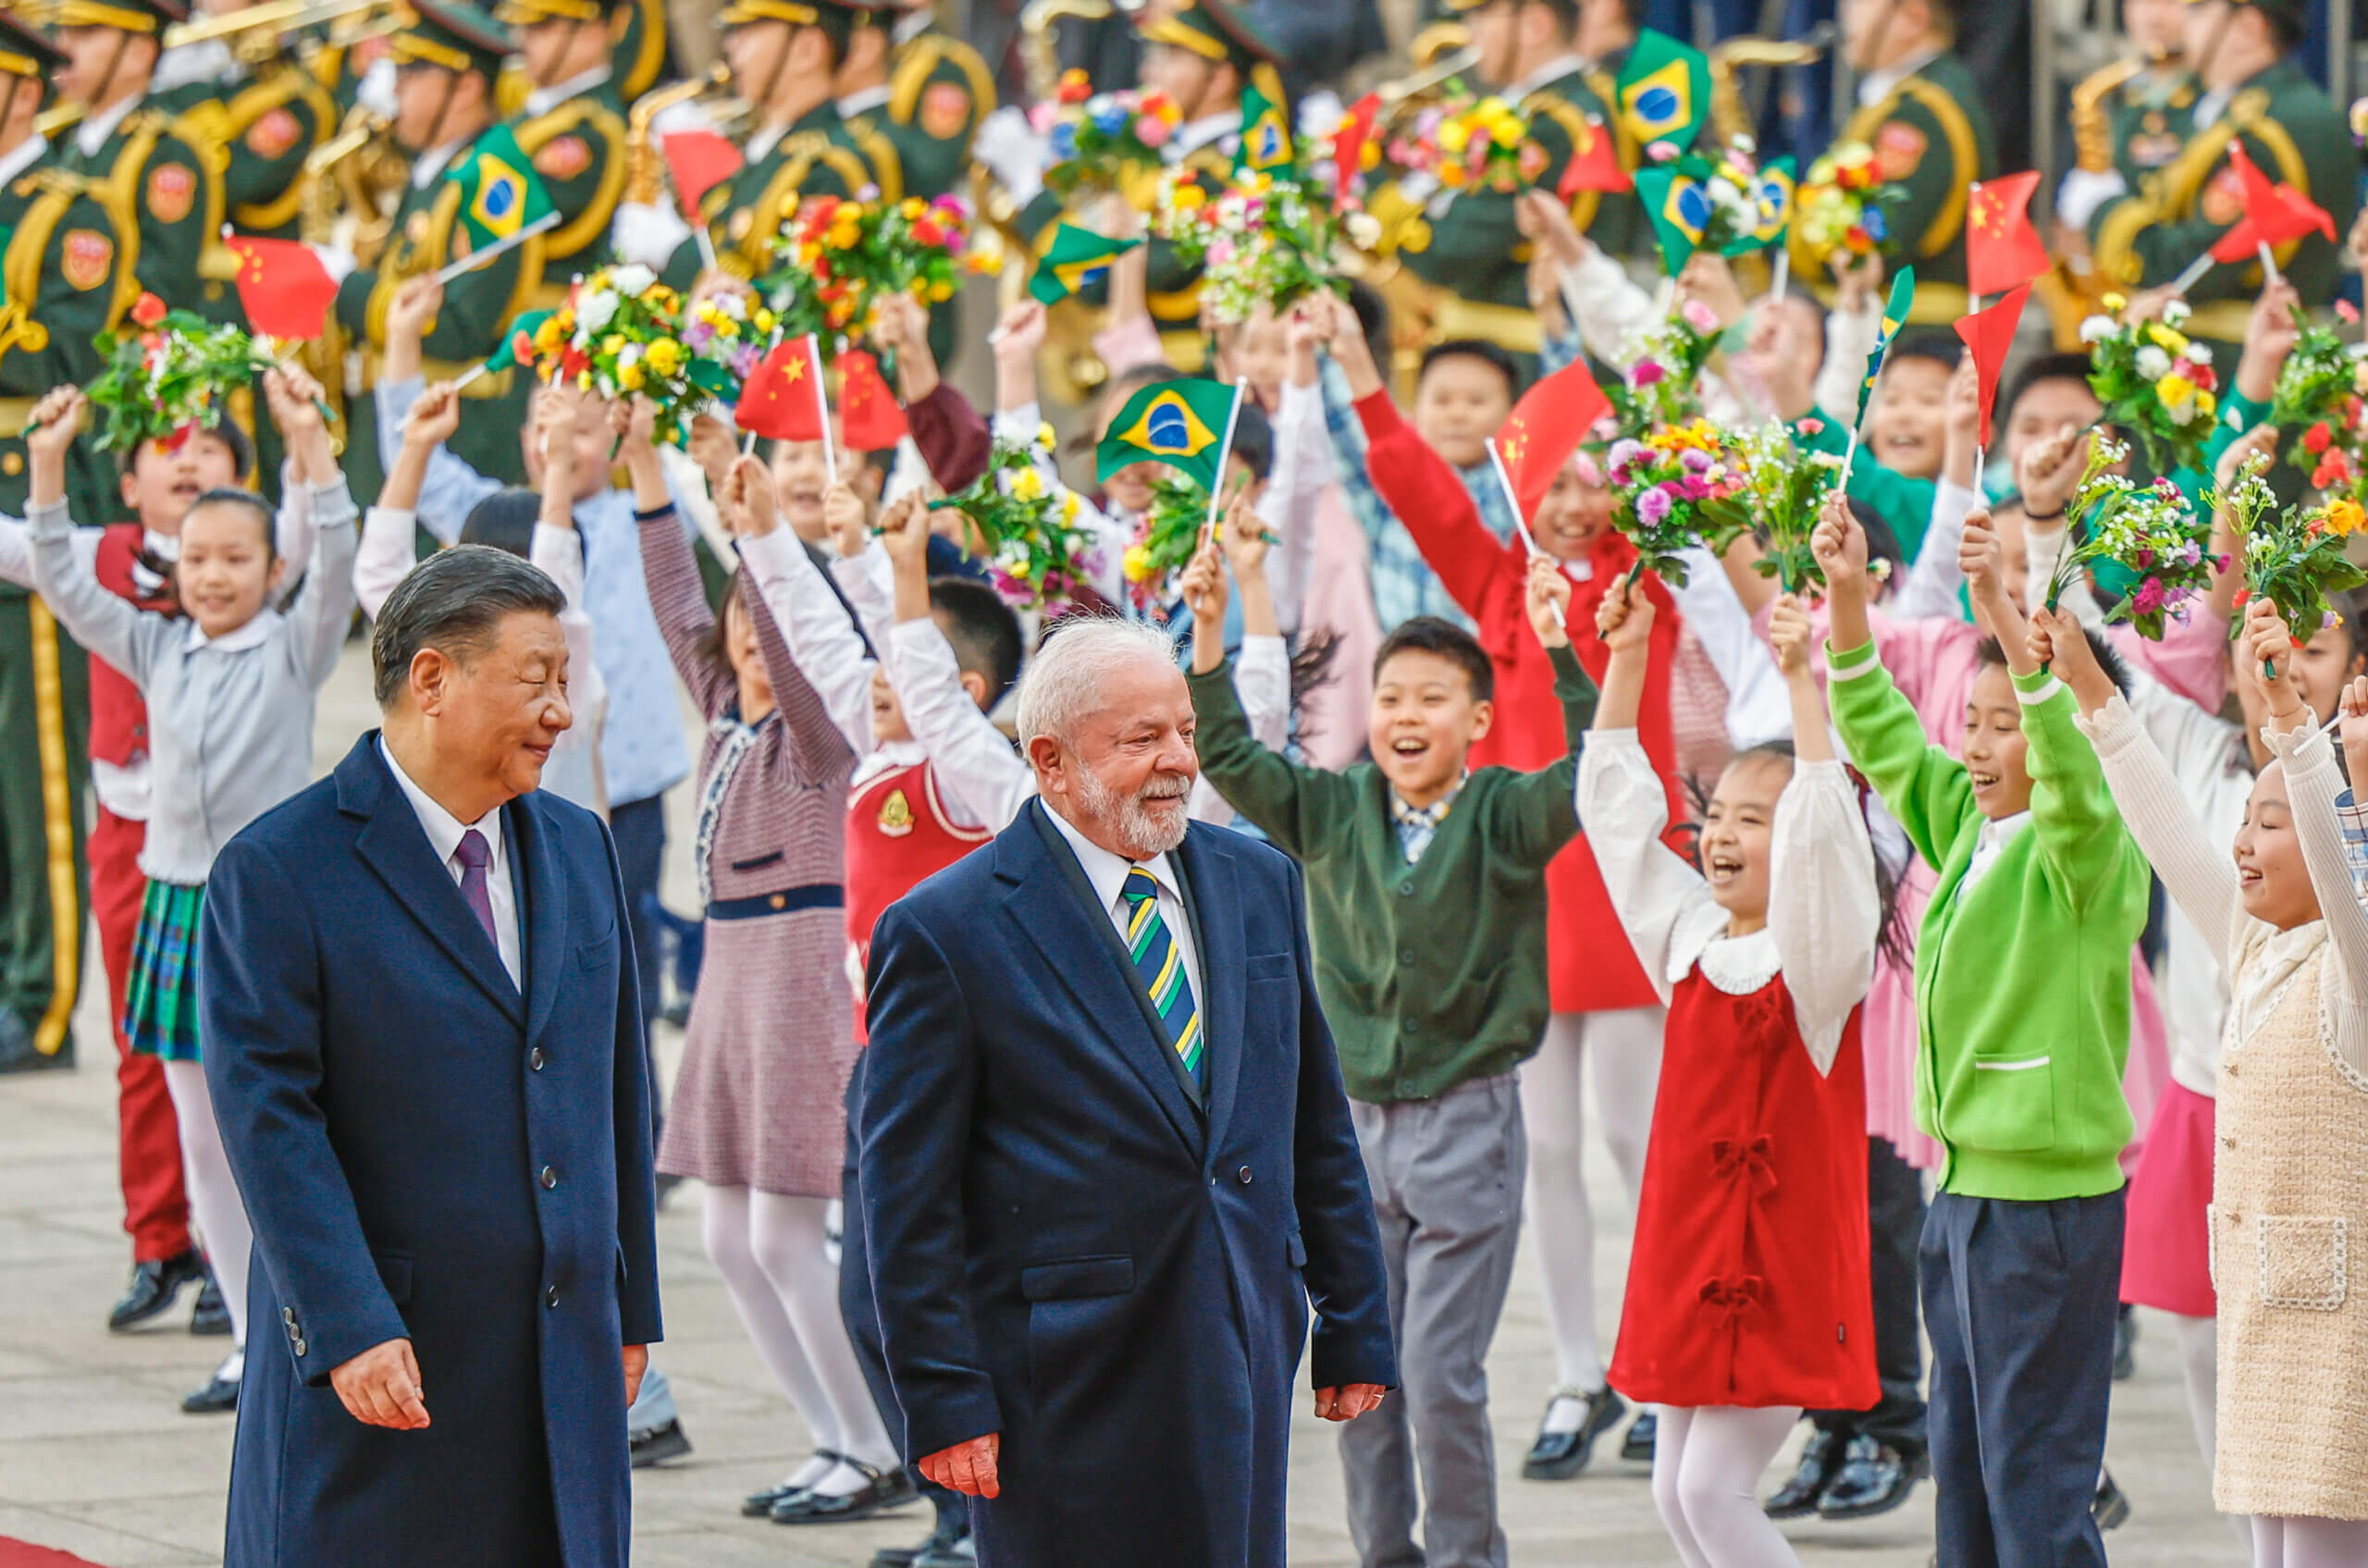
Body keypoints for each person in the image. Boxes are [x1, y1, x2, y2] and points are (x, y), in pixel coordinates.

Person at [858, 613, 1397, 1568]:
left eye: (1183, 731)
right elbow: (906, 1197)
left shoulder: (1256, 881)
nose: (1177, 761)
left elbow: (1310, 1121)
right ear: (1051, 760)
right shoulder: (947, 929)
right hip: (1060, 1376)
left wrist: (1353, 1322)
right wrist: (944, 1397)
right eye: (1142, 739)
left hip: (1241, 1336)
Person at [200, 540, 660, 1567]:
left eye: (567, 684)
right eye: (537, 681)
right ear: (432, 679)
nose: (560, 712)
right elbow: (271, 1118)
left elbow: (615, 1087)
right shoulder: (280, 867)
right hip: (391, 1361)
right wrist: (346, 1320)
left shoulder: (579, 847)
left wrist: (628, 1303)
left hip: (562, 1366)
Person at [1189, 537, 1586, 1568]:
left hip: (1467, 1124)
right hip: (1352, 1136)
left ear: (1479, 721)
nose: (1408, 717)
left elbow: (1604, 778)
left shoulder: (1503, 814)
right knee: (1361, 1366)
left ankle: (1465, 1557)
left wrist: (1564, 649)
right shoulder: (1332, 810)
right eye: (1391, 698)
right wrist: (1206, 629)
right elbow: (1228, 758)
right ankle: (1384, 1555)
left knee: (1440, 1372)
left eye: (1434, 699)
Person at [1819, 496, 2148, 1568]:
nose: (1980, 742)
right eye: (1973, 718)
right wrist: (1843, 596)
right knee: (1962, 1481)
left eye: (2005, 724)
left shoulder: (2088, 851)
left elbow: (2067, 751)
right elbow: (1875, 726)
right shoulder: (1967, 824)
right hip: (1963, 1194)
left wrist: (2008, 619)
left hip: (2044, 1210)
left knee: (2033, 1489)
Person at [28, 372, 350, 1419]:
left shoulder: (295, 649)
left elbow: (336, 565)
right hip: (175, 907)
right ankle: (250, 1334)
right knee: (198, 1127)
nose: (214, 577)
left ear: (270, 568)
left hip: (268, 910)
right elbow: (66, 585)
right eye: (198, 559)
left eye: (236, 560)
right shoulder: (154, 641)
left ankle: (316, 1314)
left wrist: (310, 443)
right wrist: (44, 465)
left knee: (287, 1128)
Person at [2054, 596, 2368, 1566]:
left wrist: (2295, 736)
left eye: (2267, 825)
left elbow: (2337, 850)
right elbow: (2168, 836)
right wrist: (2093, 694)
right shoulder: (2260, 951)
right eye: (2243, 815)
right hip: (2269, 1330)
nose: (2240, 840)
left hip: (2342, 1348)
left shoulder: (2356, 972)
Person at [1583, 582, 1881, 1567]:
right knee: (1674, 1494)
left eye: (1755, 820)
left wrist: (1803, 683)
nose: (1719, 833)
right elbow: (1622, 824)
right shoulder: (1688, 938)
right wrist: (1626, 660)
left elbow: (1829, 842)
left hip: (1782, 1276)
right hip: (1686, 1262)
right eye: (1718, 814)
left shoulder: (1819, 966)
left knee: (1714, 1491)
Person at [646, 445, 915, 1525]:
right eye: (739, 642)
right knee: (723, 1235)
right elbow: (677, 609)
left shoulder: (819, 741)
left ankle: (878, 1444)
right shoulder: (725, 717)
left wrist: (757, 532)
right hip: (729, 972)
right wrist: (646, 486)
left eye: (766, 640)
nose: (751, 657)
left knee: (785, 1232)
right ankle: (830, 1435)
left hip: (801, 970)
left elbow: (799, 662)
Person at [327, 0, 549, 500]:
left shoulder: (492, 179)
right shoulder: (435, 172)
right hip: (393, 426)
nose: (396, 84)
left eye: (412, 69)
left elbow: (458, 328)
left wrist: (349, 288)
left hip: (452, 442)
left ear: (466, 85)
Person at [2087, 0, 2355, 351]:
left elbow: (2194, 266)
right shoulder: (2269, 107)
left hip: (2235, 357)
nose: (2183, 19)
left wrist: (2103, 210)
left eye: (2197, 8)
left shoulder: (2261, 129)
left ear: (2248, 27)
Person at [616, 0, 879, 290]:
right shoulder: (766, 153)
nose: (731, 47)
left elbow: (793, 301)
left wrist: (669, 254)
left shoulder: (830, 164)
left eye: (749, 32)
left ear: (808, 49)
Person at [1787, 0, 1995, 325]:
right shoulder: (1902, 98)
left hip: (1907, 337)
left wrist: (1794, 243)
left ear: (1913, 16)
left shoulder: (1920, 112)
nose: (1843, 16)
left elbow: (1883, 245)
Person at [499, 0, 632, 303]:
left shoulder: (593, 129)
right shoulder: (538, 115)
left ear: (594, 32)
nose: (521, 39)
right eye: (522, 25)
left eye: (540, 26)